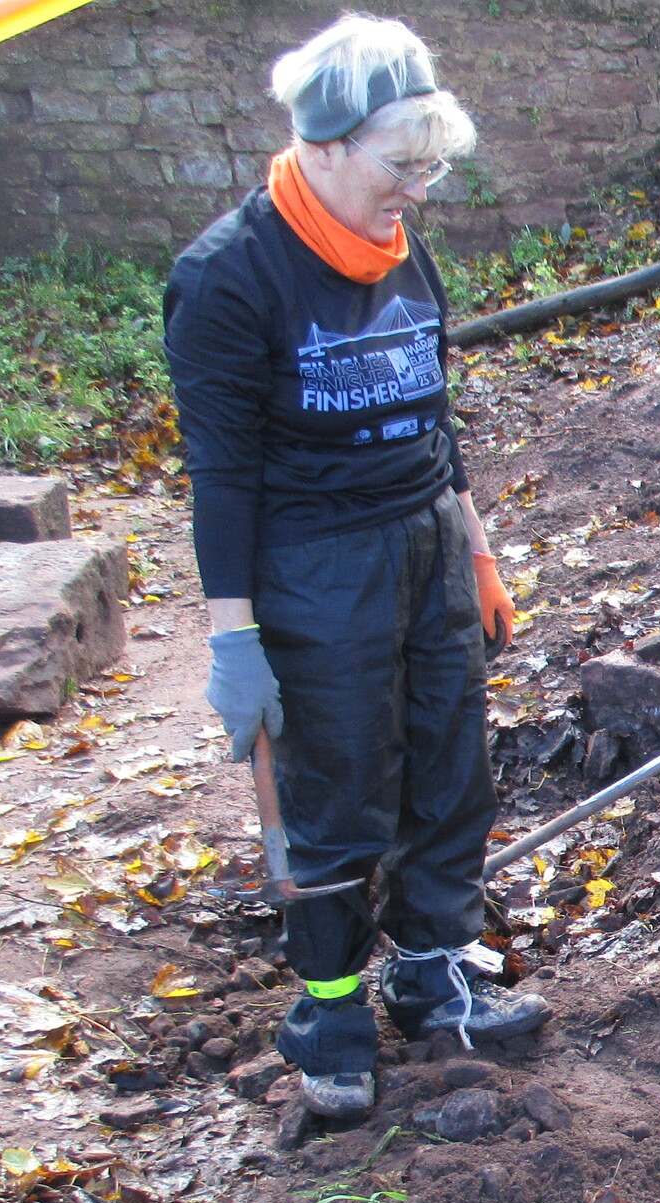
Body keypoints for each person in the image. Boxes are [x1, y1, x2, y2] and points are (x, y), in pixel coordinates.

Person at [164, 13, 547, 1118]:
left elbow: (436, 416)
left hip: (427, 542)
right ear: (325, 145)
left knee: (448, 769)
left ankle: (432, 972)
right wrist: (233, 634)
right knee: (336, 793)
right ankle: (331, 1009)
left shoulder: (400, 249)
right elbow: (221, 472)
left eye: (430, 169)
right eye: (400, 167)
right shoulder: (229, 277)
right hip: (315, 568)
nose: (417, 192)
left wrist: (476, 548)